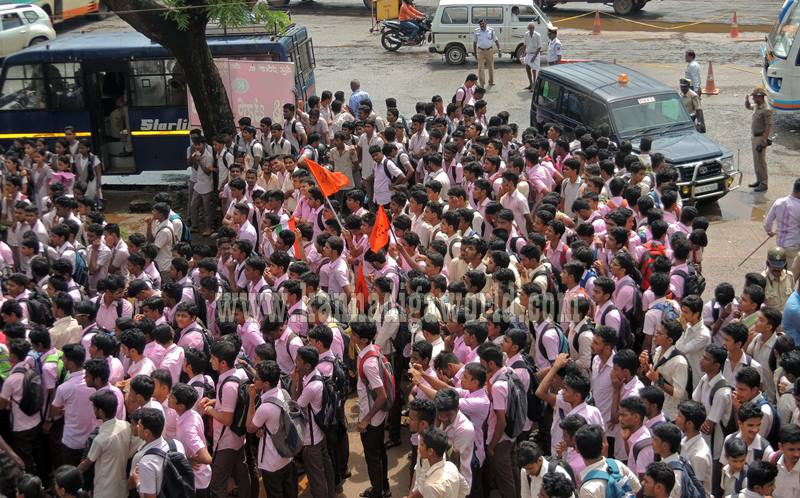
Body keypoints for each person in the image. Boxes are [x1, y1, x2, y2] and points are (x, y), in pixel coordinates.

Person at [408, 427, 470, 498]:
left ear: (430, 451)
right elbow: (465, 490)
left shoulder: (430, 486)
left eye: (422, 445)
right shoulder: (451, 466)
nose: (419, 448)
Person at [763, 178, 800, 284]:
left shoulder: (779, 202)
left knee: (777, 271)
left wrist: (769, 231)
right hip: (794, 246)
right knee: (790, 276)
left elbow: (767, 223)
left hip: (780, 245)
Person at [745, 87, 773, 192]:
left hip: (761, 137)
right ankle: (759, 180)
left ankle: (764, 183)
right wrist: (746, 101)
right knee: (756, 161)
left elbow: (768, 126)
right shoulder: (757, 106)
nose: (753, 99)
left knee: (761, 162)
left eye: (754, 97)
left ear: (760, 97)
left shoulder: (766, 110)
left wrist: (764, 141)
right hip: (754, 137)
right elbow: (748, 107)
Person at [473, 19, 500, 88]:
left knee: (490, 66)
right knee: (480, 68)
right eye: (480, 24)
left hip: (489, 50)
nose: (482, 25)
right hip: (480, 51)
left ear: (486, 23)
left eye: (483, 23)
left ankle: (491, 81)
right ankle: (482, 84)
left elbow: (496, 40)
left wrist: (499, 49)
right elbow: (475, 42)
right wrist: (475, 53)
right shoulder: (476, 31)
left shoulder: (491, 30)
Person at [524, 22, 542, 90]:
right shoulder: (526, 34)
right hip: (528, 53)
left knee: (534, 71)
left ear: (534, 28)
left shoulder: (538, 35)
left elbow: (539, 47)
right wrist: (523, 54)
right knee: (527, 69)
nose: (531, 29)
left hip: (535, 54)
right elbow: (525, 45)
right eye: (529, 28)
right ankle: (530, 84)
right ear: (528, 28)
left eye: (532, 28)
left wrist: (534, 56)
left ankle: (534, 85)